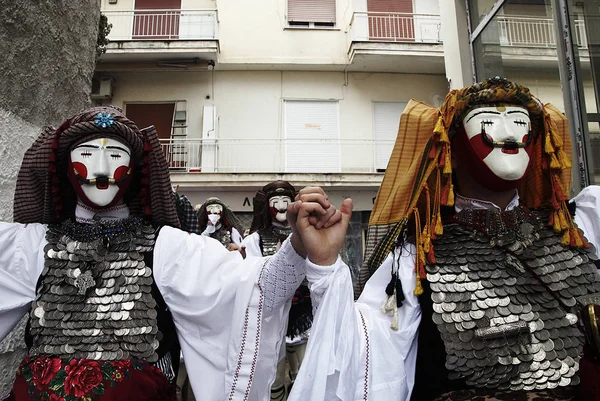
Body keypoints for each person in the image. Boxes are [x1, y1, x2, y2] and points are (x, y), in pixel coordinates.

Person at [0, 106, 345, 401]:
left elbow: (253, 290)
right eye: (87, 155)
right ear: (66, 168)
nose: (102, 170)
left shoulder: (169, 247)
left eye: (116, 156)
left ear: (135, 170)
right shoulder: (32, 245)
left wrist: (298, 247)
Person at [288, 78, 600, 401]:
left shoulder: (580, 228)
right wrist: (325, 267)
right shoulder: (415, 258)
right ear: (452, 146)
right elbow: (363, 360)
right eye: (490, 122)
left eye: (520, 123)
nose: (510, 134)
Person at [242, 181, 313, 401]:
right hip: (270, 316)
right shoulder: (255, 240)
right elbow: (250, 274)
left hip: (303, 312)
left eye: (286, 201)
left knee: (305, 369)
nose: (282, 207)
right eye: (276, 202)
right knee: (273, 371)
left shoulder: (306, 235)